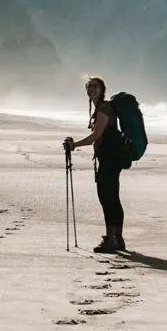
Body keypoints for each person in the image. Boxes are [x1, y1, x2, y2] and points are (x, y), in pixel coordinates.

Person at [63, 76, 127, 253]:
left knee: (107, 197)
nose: (91, 89)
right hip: (111, 157)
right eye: (89, 87)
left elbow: (95, 136)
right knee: (112, 197)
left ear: (102, 89)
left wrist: (74, 145)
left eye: (95, 86)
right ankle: (117, 238)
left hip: (109, 158)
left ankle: (111, 239)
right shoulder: (102, 108)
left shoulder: (103, 109)